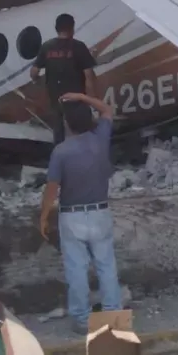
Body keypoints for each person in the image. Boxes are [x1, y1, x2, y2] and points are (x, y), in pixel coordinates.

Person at [39, 92, 122, 334]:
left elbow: (52, 188)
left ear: (67, 123)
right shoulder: (100, 139)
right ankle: (113, 315)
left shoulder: (61, 152)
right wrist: (82, 97)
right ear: (90, 120)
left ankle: (83, 320)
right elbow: (107, 110)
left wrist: (43, 216)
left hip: (72, 216)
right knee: (106, 266)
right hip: (100, 211)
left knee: (76, 270)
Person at [29, 13, 97, 144]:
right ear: (72, 28)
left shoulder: (47, 46)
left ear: (56, 28)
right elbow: (89, 76)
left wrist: (37, 80)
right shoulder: (79, 47)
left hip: (56, 101)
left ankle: (60, 153)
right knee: (82, 136)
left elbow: (34, 72)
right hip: (77, 101)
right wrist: (93, 101)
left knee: (59, 135)